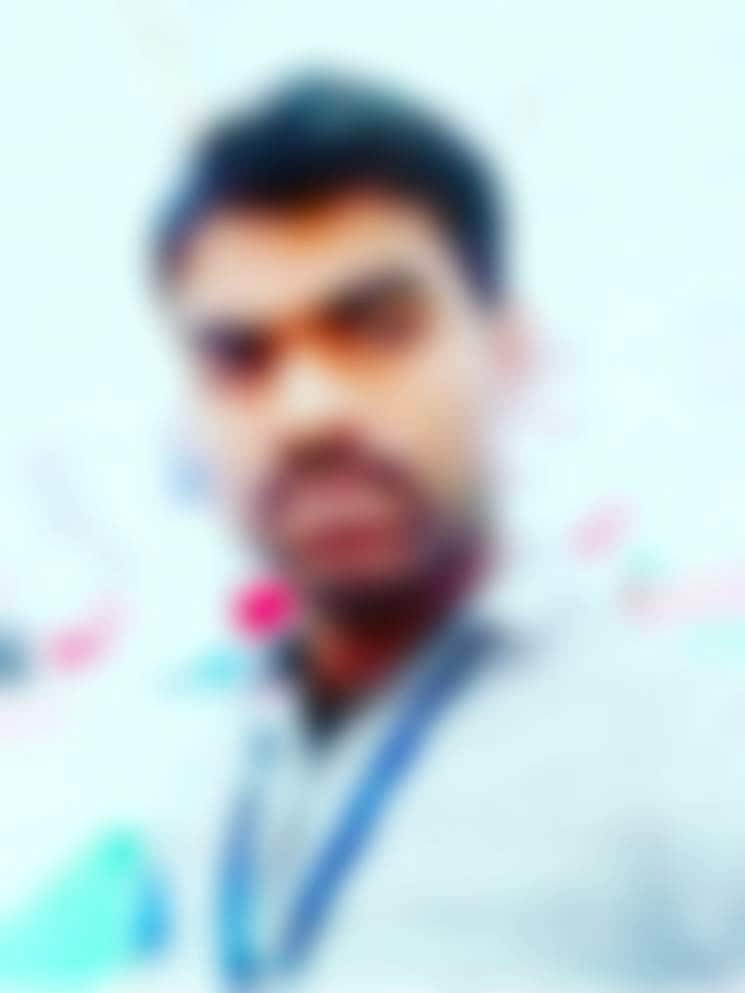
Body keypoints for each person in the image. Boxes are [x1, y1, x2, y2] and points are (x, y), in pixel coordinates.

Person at [152, 71, 745, 992]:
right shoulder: (208, 761)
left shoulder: (686, 756)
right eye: (239, 357)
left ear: (508, 353)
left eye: (376, 329)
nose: (307, 410)